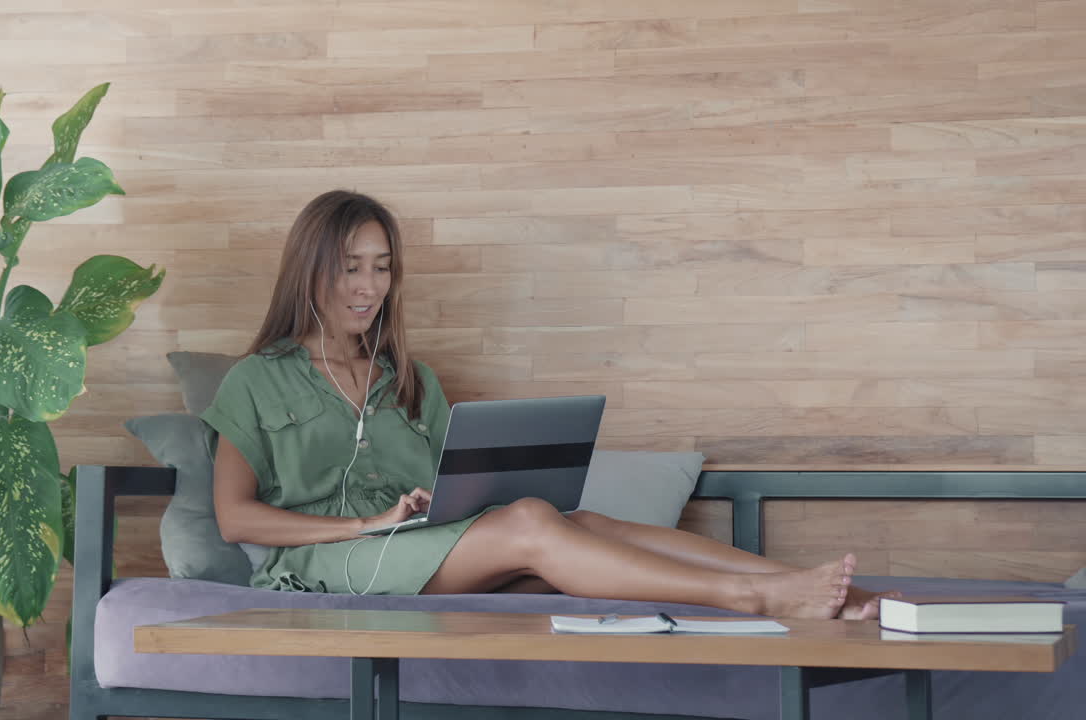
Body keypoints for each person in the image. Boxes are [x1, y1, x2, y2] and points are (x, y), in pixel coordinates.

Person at [202, 189, 887, 619]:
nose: (369, 285)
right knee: (533, 523)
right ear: (312, 269)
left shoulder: (410, 379)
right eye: (352, 266)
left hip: (420, 550)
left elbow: (451, 492)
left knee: (576, 519)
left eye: (381, 266)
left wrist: (454, 503)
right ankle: (749, 598)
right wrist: (361, 527)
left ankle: (798, 581)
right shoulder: (256, 380)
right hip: (328, 567)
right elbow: (236, 519)